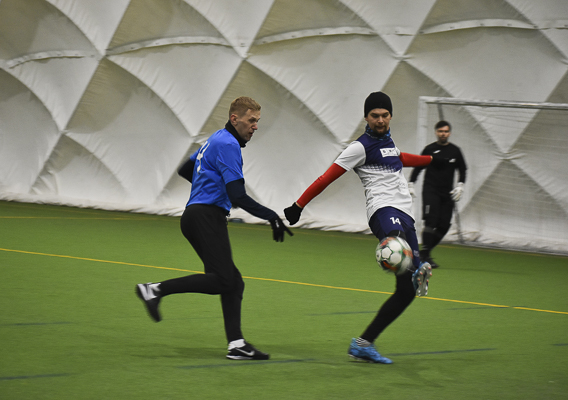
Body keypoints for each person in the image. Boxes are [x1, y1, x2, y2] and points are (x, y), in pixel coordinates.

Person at [284, 91, 437, 364]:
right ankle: (396, 255)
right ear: (366, 117)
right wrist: (298, 205)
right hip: (383, 210)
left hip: (405, 214)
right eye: (374, 115)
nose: (380, 120)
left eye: (385, 115)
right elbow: (326, 177)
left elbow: (400, 158)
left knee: (406, 291)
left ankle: (363, 344)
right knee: (397, 243)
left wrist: (432, 161)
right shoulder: (359, 147)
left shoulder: (388, 141)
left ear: (391, 116)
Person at [135, 97, 292, 361]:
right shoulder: (229, 145)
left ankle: (237, 345)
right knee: (223, 280)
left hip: (197, 216)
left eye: (257, 121)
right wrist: (271, 216)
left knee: (233, 281)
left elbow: (186, 169)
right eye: (251, 120)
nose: (255, 126)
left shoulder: (215, 139)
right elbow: (238, 195)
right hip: (205, 217)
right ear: (235, 119)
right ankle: (155, 289)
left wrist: (209, 186)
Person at [408, 120, 467, 268]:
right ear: (436, 132)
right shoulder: (429, 149)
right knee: (431, 222)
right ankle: (425, 256)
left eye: (445, 131)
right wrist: (411, 183)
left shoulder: (455, 151)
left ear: (449, 133)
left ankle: (424, 253)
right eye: (440, 131)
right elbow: (418, 166)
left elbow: (462, 169)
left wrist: (460, 185)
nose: (443, 134)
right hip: (431, 191)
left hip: (447, 193)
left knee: (444, 225)